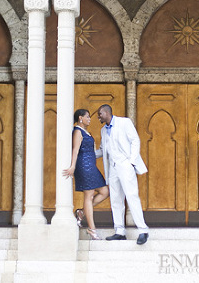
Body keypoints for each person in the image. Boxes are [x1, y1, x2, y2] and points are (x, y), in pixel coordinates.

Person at [96, 103, 149, 244]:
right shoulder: (103, 130)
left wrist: (131, 161)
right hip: (112, 168)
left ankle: (143, 230)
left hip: (125, 164)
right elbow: (102, 150)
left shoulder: (124, 122)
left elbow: (135, 140)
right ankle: (119, 231)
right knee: (115, 199)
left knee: (131, 195)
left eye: (99, 114)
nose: (98, 117)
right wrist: (88, 155)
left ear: (106, 113)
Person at [62, 108, 109, 240]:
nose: (89, 119)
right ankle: (92, 229)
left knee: (105, 191)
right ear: (80, 118)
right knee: (89, 195)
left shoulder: (85, 132)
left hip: (91, 166)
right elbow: (75, 150)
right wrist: (72, 166)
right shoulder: (77, 131)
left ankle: (81, 212)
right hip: (84, 166)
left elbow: (92, 151)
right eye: (87, 117)